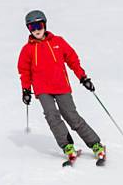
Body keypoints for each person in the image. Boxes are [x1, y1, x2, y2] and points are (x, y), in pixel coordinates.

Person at [17, 10, 105, 164]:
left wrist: (82, 77)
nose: (36, 30)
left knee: (72, 117)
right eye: (32, 27)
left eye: (39, 25)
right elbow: (24, 71)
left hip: (61, 86)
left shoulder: (58, 42)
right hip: (42, 89)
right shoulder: (27, 50)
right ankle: (67, 147)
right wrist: (26, 90)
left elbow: (72, 60)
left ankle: (96, 144)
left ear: (45, 24)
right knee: (52, 116)